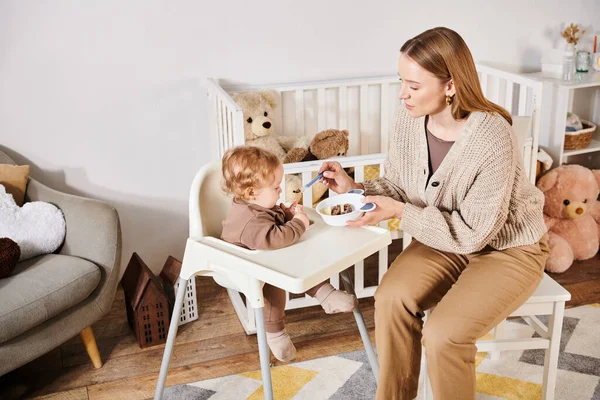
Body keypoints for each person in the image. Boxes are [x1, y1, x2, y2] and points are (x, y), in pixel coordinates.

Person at [318, 27, 549, 400]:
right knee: (390, 298)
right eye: (401, 82)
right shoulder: (408, 120)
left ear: (451, 86)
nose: (402, 94)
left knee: (444, 334)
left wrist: (399, 213)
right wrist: (354, 188)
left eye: (413, 85)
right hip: (446, 237)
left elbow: (475, 234)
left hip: (508, 248)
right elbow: (398, 187)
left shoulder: (492, 136)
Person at [220, 145, 358, 362]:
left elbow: (271, 217)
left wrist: (286, 213)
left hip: (265, 256)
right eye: (276, 188)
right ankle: (277, 336)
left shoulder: (257, 204)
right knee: (273, 296)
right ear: (251, 192)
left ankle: (326, 294)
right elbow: (274, 237)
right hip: (244, 266)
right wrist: (298, 224)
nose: (280, 191)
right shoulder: (250, 221)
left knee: (301, 259)